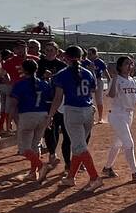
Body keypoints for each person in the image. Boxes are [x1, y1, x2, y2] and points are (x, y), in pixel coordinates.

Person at [47, 45, 101, 190]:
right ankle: (70, 178)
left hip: (73, 112)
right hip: (88, 111)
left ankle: (95, 177)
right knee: (78, 146)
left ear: (66, 57)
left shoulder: (62, 74)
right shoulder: (88, 73)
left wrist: (50, 115)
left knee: (79, 146)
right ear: (82, 57)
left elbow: (58, 98)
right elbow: (92, 90)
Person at [102, 56, 136, 181]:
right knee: (128, 143)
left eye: (131, 64)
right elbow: (111, 95)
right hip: (117, 114)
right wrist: (114, 78)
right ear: (120, 66)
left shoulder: (132, 81)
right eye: (126, 64)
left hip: (128, 115)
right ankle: (135, 172)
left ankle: (107, 168)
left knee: (118, 143)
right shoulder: (116, 80)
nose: (130, 66)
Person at [8, 58, 53, 182]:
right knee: (35, 145)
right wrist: (50, 117)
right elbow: (49, 101)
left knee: (24, 148)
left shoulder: (20, 84)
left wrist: (9, 119)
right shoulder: (44, 84)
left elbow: (13, 104)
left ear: (24, 70)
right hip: (43, 114)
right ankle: (33, 173)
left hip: (27, 115)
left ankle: (41, 166)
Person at [38, 40, 70, 171]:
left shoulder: (62, 65)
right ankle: (52, 153)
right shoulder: (39, 64)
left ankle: (67, 159)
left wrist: (53, 76)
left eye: (52, 50)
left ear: (57, 52)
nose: (49, 52)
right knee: (50, 128)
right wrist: (43, 76)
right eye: (47, 50)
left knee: (63, 128)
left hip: (60, 101)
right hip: (45, 99)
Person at [1, 43, 30, 135]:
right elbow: (2, 72)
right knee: (14, 110)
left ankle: (26, 128)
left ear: (26, 48)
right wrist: (7, 80)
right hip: (15, 89)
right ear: (14, 50)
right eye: (18, 48)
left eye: (22, 48)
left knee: (29, 109)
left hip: (30, 89)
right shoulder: (9, 61)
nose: (20, 50)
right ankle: (19, 127)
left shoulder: (34, 59)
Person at [83, 48, 110, 124]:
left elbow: (105, 72)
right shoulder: (85, 62)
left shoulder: (100, 62)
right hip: (88, 82)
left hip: (98, 81)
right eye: (88, 54)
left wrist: (109, 81)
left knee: (99, 100)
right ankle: (92, 118)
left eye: (90, 54)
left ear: (95, 54)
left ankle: (100, 118)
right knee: (90, 100)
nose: (88, 56)